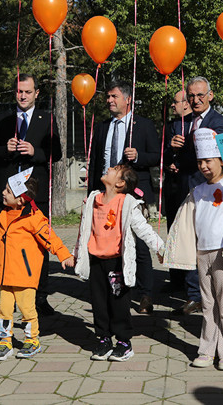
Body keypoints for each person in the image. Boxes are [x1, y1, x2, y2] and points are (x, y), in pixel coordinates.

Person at [164, 129, 223, 371]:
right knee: (207, 304)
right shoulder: (196, 191)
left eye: (208, 161)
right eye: (200, 162)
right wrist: (169, 248)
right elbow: (183, 224)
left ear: (221, 160)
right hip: (202, 253)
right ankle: (207, 349)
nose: (204, 166)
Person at [0, 169, 74, 361]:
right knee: (4, 310)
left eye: (8, 191)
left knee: (27, 310)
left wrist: (64, 255)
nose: (3, 192)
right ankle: (5, 342)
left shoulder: (34, 219)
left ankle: (32, 340)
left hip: (25, 276)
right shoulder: (0, 216)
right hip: (5, 276)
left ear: (20, 200)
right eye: (5, 189)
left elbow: (51, 238)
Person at [73, 164, 165, 362]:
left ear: (120, 183)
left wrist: (161, 248)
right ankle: (103, 338)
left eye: (114, 169)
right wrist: (77, 253)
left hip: (117, 263)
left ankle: (124, 342)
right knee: (98, 302)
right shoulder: (93, 199)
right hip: (96, 261)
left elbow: (143, 229)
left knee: (119, 303)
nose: (108, 168)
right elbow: (84, 229)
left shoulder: (127, 203)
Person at [0, 76, 61, 316]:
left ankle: (40, 297)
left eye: (28, 92)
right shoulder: (2, 119)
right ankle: (8, 296)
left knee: (40, 244)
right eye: (19, 91)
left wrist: (35, 151)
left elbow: (56, 153)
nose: (23, 96)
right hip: (7, 194)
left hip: (34, 193)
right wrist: (4, 150)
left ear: (37, 93)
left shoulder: (47, 119)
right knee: (7, 244)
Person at [88, 81, 161, 315]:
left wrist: (139, 156)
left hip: (133, 193)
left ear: (127, 99)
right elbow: (96, 163)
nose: (109, 100)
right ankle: (116, 289)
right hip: (107, 194)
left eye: (114, 96)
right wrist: (91, 194)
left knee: (139, 244)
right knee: (111, 243)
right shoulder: (101, 128)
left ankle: (145, 294)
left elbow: (157, 156)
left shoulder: (144, 125)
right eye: (108, 96)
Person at [164, 77, 223, 315]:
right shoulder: (181, 122)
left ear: (210, 95)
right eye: (191, 96)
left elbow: (215, 153)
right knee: (190, 240)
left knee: (210, 243)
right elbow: (170, 155)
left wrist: (190, 146)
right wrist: (171, 148)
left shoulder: (220, 122)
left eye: (200, 95)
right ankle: (194, 295)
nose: (195, 100)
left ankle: (213, 291)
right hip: (186, 188)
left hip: (212, 191)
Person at [162, 90, 191, 221]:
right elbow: (161, 153)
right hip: (172, 186)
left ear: (186, 103)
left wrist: (181, 164)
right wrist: (169, 162)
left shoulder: (198, 122)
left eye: (175, 102)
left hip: (191, 184)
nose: (172, 105)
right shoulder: (169, 126)